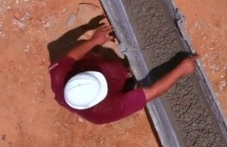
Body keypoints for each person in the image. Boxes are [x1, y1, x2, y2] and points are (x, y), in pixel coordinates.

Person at [49, 22, 198, 125]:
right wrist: (182, 69)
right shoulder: (105, 112)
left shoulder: (58, 77)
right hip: (115, 84)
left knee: (105, 63)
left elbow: (70, 57)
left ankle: (113, 68)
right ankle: (126, 76)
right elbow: (152, 91)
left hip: (91, 68)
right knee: (117, 72)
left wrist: (95, 40)